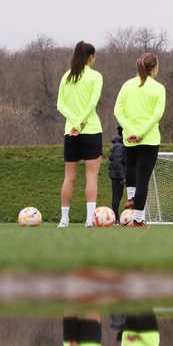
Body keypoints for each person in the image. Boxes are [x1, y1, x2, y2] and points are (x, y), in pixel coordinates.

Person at [114, 53, 166, 227]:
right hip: (149, 139)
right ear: (155, 67)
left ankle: (130, 198)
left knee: (131, 165)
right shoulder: (158, 88)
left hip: (130, 138)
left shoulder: (127, 86)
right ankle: (138, 219)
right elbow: (157, 115)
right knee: (143, 177)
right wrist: (141, 132)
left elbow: (117, 111)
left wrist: (130, 131)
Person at [57, 41, 104, 228]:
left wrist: (74, 123)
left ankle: (64, 220)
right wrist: (82, 122)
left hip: (71, 133)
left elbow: (60, 105)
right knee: (91, 176)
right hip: (90, 130)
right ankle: (90, 219)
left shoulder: (66, 77)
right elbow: (93, 103)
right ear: (91, 57)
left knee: (69, 177)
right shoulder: (96, 76)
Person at [108, 127, 126, 217]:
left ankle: (116, 217)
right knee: (117, 197)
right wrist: (121, 177)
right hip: (118, 175)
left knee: (116, 196)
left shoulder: (116, 145)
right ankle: (116, 217)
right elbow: (117, 162)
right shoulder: (120, 146)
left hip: (115, 174)